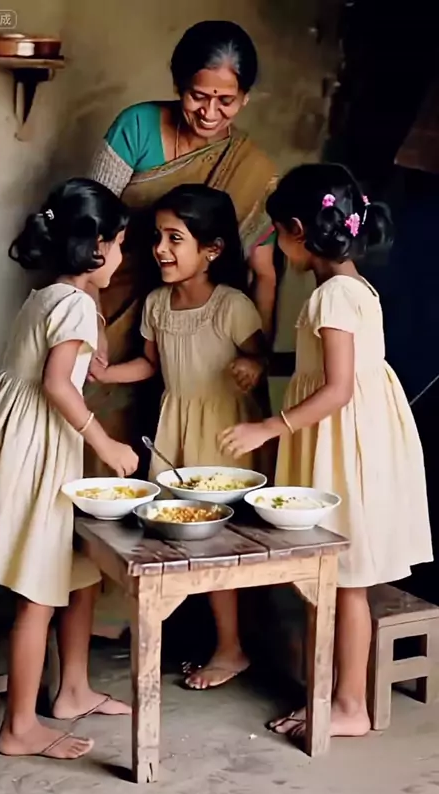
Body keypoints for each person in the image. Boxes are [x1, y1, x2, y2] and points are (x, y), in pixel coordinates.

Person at [220, 163, 433, 738]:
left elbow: (336, 389)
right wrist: (269, 364)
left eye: (276, 234)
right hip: (353, 435)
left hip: (345, 441)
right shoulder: (352, 286)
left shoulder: (333, 296)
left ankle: (349, 706)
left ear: (296, 230)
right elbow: (327, 368)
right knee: (337, 579)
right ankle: (333, 696)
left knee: (345, 579)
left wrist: (268, 427)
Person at [0, 178, 138, 760]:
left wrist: (97, 301)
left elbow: (90, 363)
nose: (124, 257)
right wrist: (107, 444)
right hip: (36, 448)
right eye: (120, 245)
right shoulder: (76, 304)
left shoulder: (51, 295)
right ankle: (19, 727)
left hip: (19, 438)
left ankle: (73, 689)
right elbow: (60, 385)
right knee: (39, 592)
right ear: (97, 247)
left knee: (76, 571)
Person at [90, 184, 267, 689]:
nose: (161, 249)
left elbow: (260, 356)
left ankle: (232, 649)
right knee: (175, 535)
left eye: (175, 238)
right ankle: (194, 638)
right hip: (176, 430)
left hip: (224, 435)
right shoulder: (157, 304)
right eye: (157, 237)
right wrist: (106, 374)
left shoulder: (232, 306)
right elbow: (150, 365)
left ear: (212, 250)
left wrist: (254, 365)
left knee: (220, 543)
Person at [86, 20, 278, 470]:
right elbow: (90, 229)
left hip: (203, 336)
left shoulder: (251, 167)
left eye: (226, 101)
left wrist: (257, 356)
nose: (210, 112)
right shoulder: (137, 127)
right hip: (111, 303)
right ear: (178, 85)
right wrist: (93, 318)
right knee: (101, 439)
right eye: (198, 96)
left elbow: (263, 272)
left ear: (245, 98)